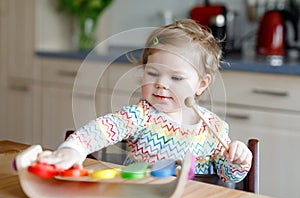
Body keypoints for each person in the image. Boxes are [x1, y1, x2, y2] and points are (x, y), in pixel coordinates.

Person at [38, 19, 252, 183]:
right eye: (152, 73)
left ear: (201, 84)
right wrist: (74, 148)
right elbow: (102, 129)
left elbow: (230, 175)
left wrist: (239, 160)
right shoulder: (140, 115)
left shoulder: (213, 128)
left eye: (176, 78)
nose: (161, 84)